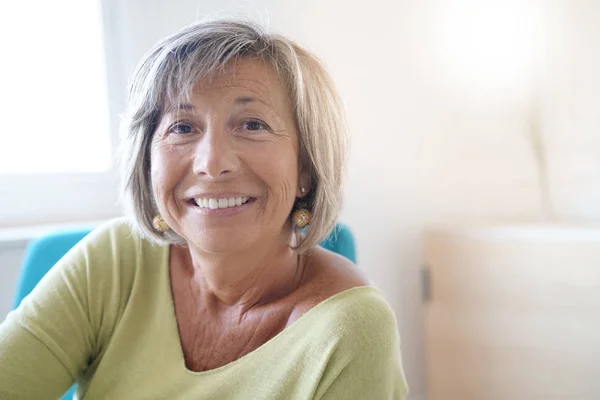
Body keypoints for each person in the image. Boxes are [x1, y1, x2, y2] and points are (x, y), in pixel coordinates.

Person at [0, 19, 408, 399]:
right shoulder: (114, 260)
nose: (212, 162)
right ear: (148, 160)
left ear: (306, 166)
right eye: (182, 127)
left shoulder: (351, 331)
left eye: (252, 124)